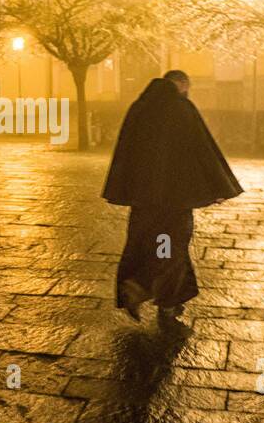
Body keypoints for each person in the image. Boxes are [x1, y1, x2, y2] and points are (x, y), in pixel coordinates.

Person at [102, 70, 243, 325]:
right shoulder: (182, 108)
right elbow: (203, 149)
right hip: (176, 198)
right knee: (172, 247)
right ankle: (145, 290)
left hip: (142, 198)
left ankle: (169, 300)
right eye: (187, 87)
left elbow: (126, 151)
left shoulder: (139, 108)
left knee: (145, 243)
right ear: (181, 84)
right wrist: (219, 185)